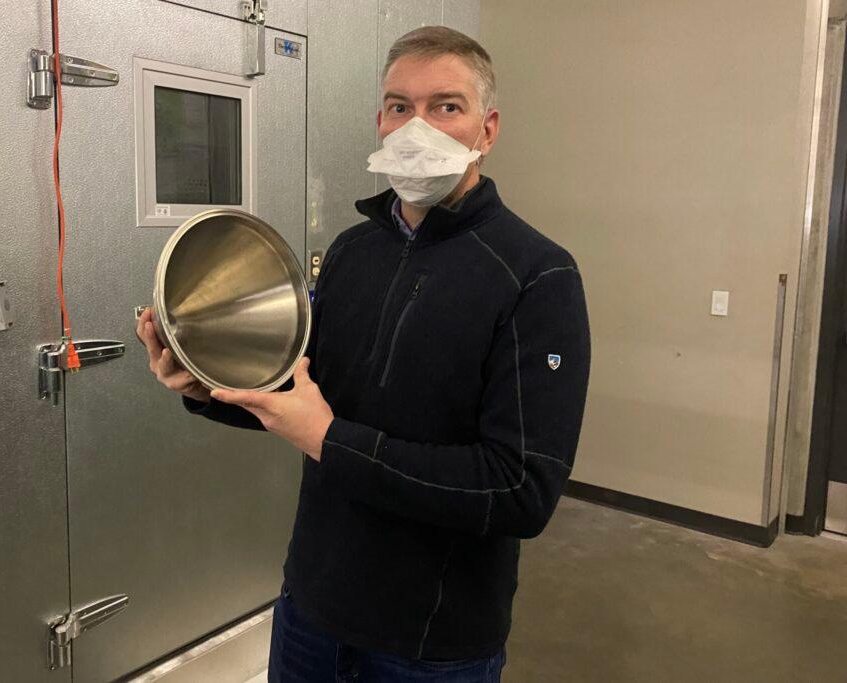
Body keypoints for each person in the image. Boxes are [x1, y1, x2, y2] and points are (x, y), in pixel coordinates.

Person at [137, 26, 591, 682]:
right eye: (401, 107)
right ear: (379, 121)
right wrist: (202, 386)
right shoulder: (352, 253)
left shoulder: (537, 277)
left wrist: (330, 440)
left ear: (487, 130)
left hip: (429, 644)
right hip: (309, 611)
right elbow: (298, 392)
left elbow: (520, 487)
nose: (418, 127)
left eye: (447, 107)